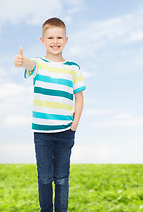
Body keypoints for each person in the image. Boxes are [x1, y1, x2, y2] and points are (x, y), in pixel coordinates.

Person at [14, 18, 86, 212]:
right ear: (42, 40)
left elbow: (79, 97)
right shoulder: (39, 64)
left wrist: (75, 123)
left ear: (66, 39)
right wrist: (22, 62)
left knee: (62, 178)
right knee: (45, 178)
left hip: (65, 131)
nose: (55, 41)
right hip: (42, 133)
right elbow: (29, 65)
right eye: (50, 37)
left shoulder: (73, 68)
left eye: (59, 37)